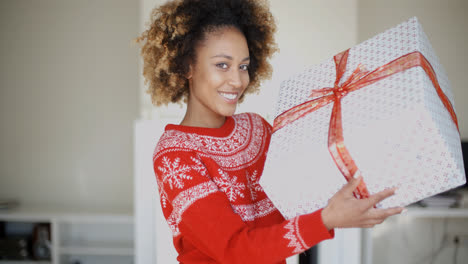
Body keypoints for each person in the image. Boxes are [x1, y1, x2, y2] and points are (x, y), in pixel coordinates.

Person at [135, 0, 405, 263]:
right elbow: (236, 250)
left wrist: (358, 191)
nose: (238, 80)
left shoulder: (256, 129)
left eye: (243, 66)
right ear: (186, 66)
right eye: (222, 65)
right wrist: (327, 220)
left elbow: (300, 196)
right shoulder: (174, 155)